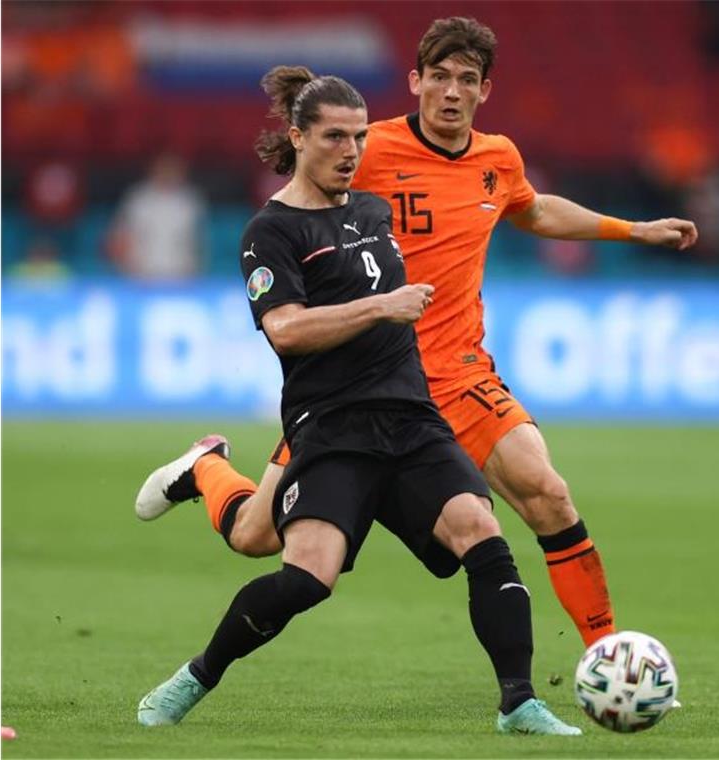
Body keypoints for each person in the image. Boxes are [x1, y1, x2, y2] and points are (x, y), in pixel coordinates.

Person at [137, 17, 697, 649]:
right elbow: (296, 201)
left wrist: (634, 230)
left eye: (466, 80)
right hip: (359, 386)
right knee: (254, 538)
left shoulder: (498, 158)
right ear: (416, 82)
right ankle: (207, 469)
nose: (451, 92)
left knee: (548, 494)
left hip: (459, 375)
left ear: (485, 91)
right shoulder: (364, 147)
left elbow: (533, 209)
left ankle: (608, 657)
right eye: (439, 78)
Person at [136, 70, 580, 736]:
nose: (352, 150)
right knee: (303, 578)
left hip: (411, 416)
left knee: (483, 537)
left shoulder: (371, 209)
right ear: (298, 138)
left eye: (360, 135)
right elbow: (285, 328)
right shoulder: (270, 232)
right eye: (335, 136)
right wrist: (382, 307)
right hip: (332, 428)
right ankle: (197, 674)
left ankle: (518, 702)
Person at [107, 153, 205, 280]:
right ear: (153, 170)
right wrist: (128, 268)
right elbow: (118, 239)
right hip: (140, 275)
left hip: (181, 275)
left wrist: (193, 272)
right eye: (164, 168)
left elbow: (198, 242)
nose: (168, 172)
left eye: (172, 169)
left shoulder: (190, 200)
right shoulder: (137, 198)